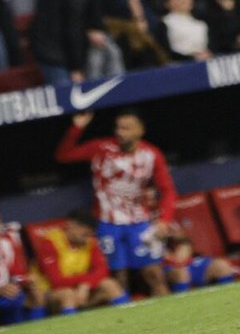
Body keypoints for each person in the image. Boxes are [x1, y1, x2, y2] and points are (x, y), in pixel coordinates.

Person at [54, 109, 177, 296]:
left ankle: (173, 318)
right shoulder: (101, 148)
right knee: (119, 277)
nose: (120, 132)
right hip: (107, 223)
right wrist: (76, 129)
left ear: (140, 130)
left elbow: (168, 190)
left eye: (126, 128)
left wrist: (164, 220)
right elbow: (64, 155)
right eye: (118, 128)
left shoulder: (151, 154)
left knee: (154, 273)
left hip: (139, 223)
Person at [30, 211, 127, 314]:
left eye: (90, 233)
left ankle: (127, 320)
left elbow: (102, 270)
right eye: (84, 232)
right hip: (50, 295)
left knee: (110, 284)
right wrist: (84, 282)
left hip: (81, 292)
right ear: (71, 225)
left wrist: (86, 284)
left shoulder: (89, 242)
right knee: (68, 294)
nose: (88, 236)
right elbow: (56, 281)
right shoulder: (50, 243)